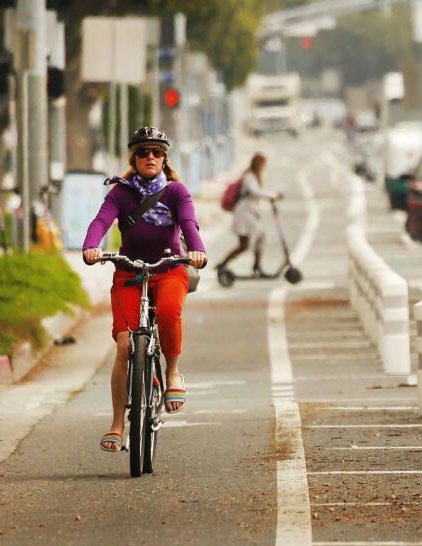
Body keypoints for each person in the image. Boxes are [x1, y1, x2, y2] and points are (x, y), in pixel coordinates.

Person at [82, 126, 208, 453]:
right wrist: (90, 247)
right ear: (133, 158)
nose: (149, 157)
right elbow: (100, 221)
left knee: (167, 313)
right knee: (124, 345)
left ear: (165, 157)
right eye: (142, 152)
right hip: (129, 272)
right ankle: (116, 424)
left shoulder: (176, 192)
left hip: (168, 270)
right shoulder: (121, 193)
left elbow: (190, 224)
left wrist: (197, 251)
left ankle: (174, 374)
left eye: (156, 151)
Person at [217, 153, 282, 275]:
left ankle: (223, 264)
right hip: (244, 214)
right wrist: (273, 195)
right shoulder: (249, 176)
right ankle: (256, 266)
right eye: (262, 165)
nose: (263, 167)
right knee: (259, 235)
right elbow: (255, 192)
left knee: (244, 245)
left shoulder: (252, 176)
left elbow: (256, 194)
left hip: (247, 213)